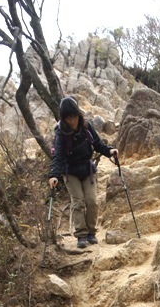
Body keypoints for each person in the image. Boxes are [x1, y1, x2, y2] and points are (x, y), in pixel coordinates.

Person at [49, 96, 119, 249]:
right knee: (78, 202)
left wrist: (110, 151)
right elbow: (58, 156)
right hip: (70, 172)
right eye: (68, 118)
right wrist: (54, 175)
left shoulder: (87, 126)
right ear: (64, 118)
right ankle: (81, 234)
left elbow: (98, 144)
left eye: (73, 116)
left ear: (78, 115)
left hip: (87, 169)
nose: (72, 121)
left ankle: (91, 233)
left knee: (92, 201)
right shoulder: (61, 133)